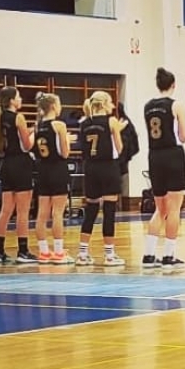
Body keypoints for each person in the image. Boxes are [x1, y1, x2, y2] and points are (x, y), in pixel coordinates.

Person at [142, 68, 185, 270]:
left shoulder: (148, 106)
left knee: (160, 209)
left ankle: (149, 255)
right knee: (174, 208)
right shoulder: (177, 105)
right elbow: (183, 136)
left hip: (154, 156)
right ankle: (169, 255)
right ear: (173, 84)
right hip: (172, 155)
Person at [77, 90, 125, 266]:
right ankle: (109, 255)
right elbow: (120, 149)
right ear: (104, 104)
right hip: (108, 167)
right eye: (111, 102)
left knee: (91, 210)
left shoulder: (83, 123)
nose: (112, 106)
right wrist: (118, 131)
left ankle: (82, 254)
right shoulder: (111, 121)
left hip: (90, 168)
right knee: (109, 210)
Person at [0, 86, 37, 265]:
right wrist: (34, 134)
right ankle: (23, 251)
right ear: (11, 100)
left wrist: (29, 130)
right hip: (21, 164)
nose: (21, 99)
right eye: (18, 97)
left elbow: (10, 140)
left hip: (7, 164)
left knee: (6, 210)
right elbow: (26, 145)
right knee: (23, 211)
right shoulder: (18, 117)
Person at [32, 92, 73, 264]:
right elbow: (65, 153)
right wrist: (68, 140)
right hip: (57, 169)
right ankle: (58, 252)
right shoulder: (59, 125)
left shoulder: (37, 126)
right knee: (57, 213)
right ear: (54, 106)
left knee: (42, 214)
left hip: (42, 170)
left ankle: (43, 252)